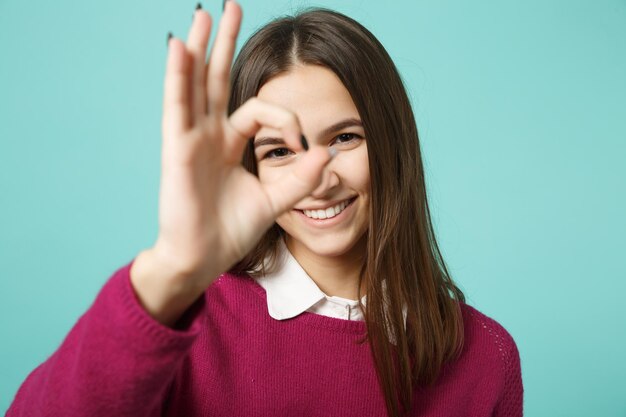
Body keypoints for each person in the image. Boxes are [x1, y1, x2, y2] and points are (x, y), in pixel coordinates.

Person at [7, 1, 523, 416]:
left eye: (344, 138)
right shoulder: (187, 326)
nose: (316, 177)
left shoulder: (485, 354)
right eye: (279, 151)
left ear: (392, 143)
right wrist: (171, 269)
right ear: (249, 167)